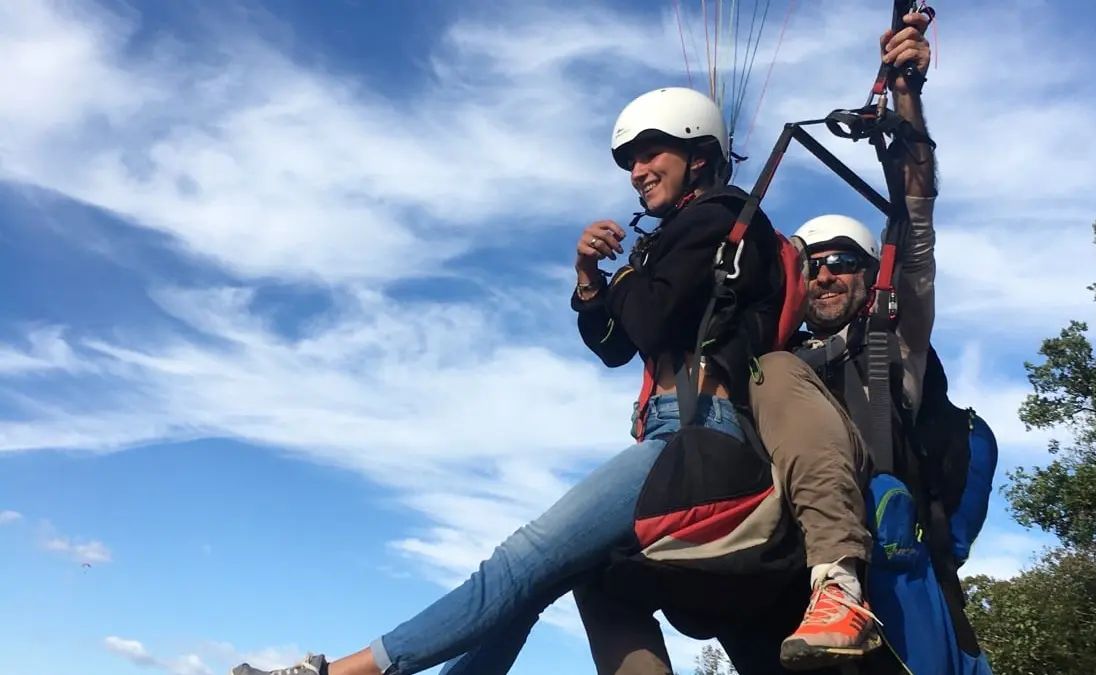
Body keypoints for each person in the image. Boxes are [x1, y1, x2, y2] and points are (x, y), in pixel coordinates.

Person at [406, 10, 937, 675]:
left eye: (846, 261)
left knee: (774, 372)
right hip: (769, 568)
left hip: (866, 579)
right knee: (592, 571)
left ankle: (840, 583)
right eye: (816, 261)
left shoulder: (889, 347)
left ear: (871, 277)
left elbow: (914, 225)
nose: (827, 271)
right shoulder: (774, 347)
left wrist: (907, 98)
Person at [228, 86, 787, 675]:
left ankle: (336, 673)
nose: (637, 172)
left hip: (700, 436)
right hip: (672, 433)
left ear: (698, 154)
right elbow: (615, 348)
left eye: (651, 154)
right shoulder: (675, 238)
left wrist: (622, 277)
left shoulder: (719, 220)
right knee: (541, 580)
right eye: (631, 162)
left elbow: (649, 320)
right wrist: (589, 282)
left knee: (523, 558)